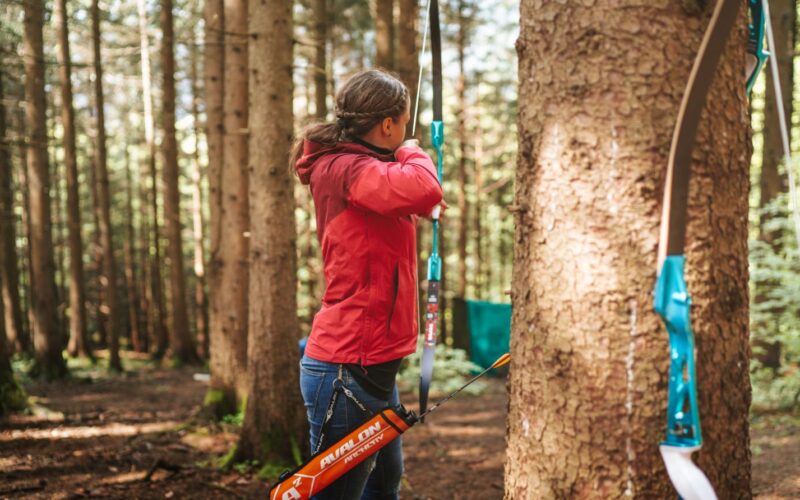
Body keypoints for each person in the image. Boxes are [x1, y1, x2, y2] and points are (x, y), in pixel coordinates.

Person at [292, 69, 445, 499]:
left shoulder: (357, 170)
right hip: (346, 369)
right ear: (388, 125)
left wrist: (417, 200)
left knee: (382, 487)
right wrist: (413, 156)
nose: (405, 133)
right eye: (405, 123)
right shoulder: (344, 168)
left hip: (373, 366)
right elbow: (422, 187)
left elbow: (409, 201)